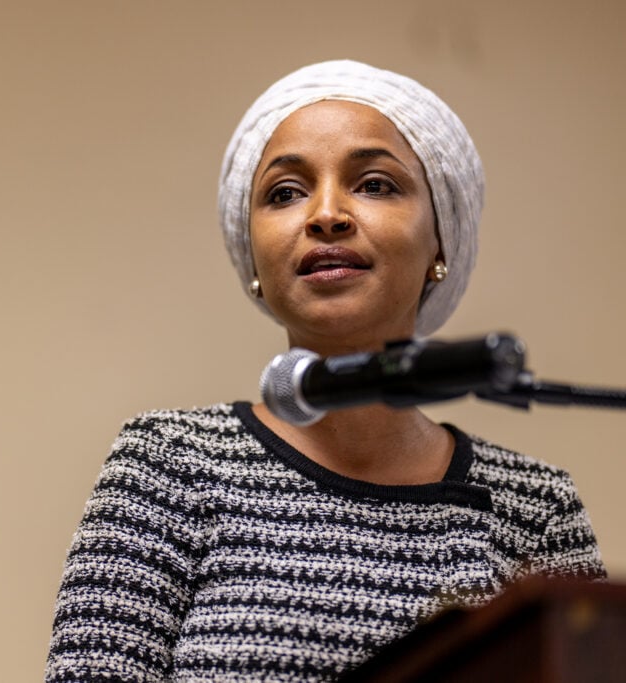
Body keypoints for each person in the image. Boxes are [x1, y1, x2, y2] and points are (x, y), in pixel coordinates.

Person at [44, 60, 605, 683]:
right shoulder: (171, 463)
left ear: (441, 240)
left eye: (374, 185)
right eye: (285, 193)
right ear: (253, 253)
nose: (327, 214)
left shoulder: (533, 509)